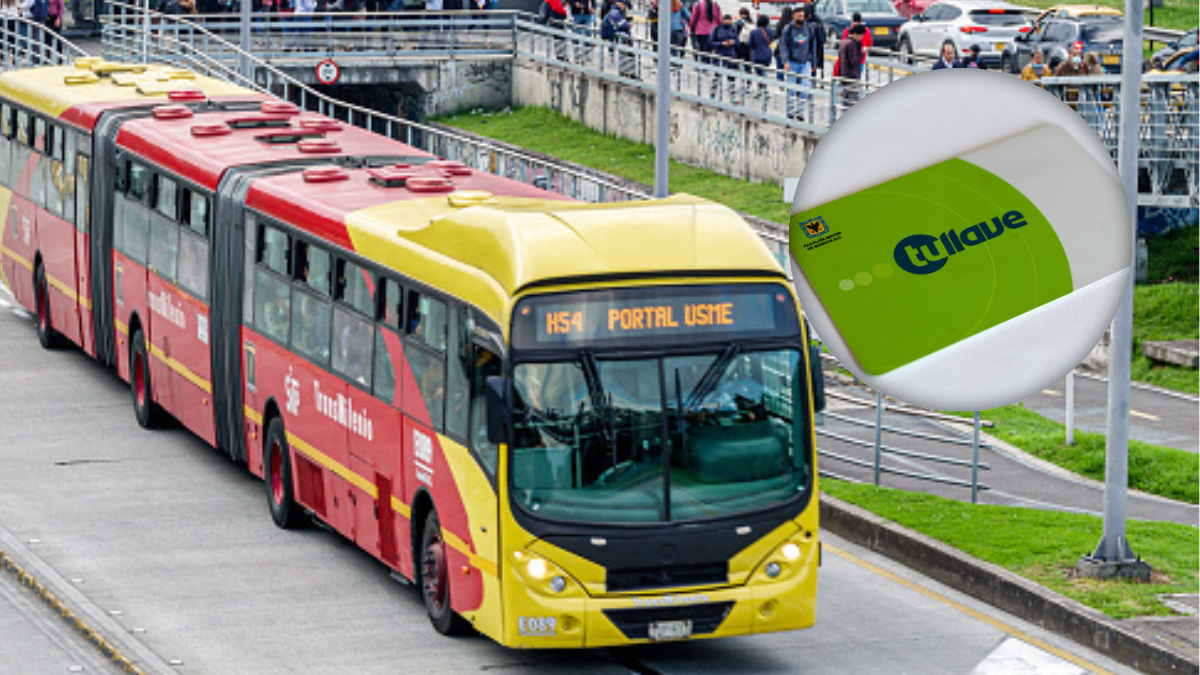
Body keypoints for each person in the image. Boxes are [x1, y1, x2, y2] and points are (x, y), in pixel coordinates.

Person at [779, 7, 817, 119]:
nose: (801, 18)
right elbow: (783, 45)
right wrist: (785, 61)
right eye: (799, 16)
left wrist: (814, 63)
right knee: (791, 88)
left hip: (805, 62)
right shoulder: (788, 29)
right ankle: (790, 112)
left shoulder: (809, 28)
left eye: (803, 16)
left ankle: (800, 112)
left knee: (805, 87)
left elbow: (812, 46)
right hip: (792, 62)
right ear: (793, 16)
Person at [710, 13, 739, 98]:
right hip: (719, 54)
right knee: (717, 75)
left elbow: (737, 41)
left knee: (731, 77)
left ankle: (732, 96)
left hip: (730, 55)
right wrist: (721, 43)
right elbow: (711, 42)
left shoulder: (733, 29)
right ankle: (713, 94)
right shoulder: (717, 29)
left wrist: (733, 42)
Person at [837, 23, 865, 105]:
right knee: (853, 101)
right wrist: (861, 53)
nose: (861, 38)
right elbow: (854, 61)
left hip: (844, 75)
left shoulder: (844, 42)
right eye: (861, 35)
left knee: (846, 101)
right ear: (856, 34)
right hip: (851, 76)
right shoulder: (852, 44)